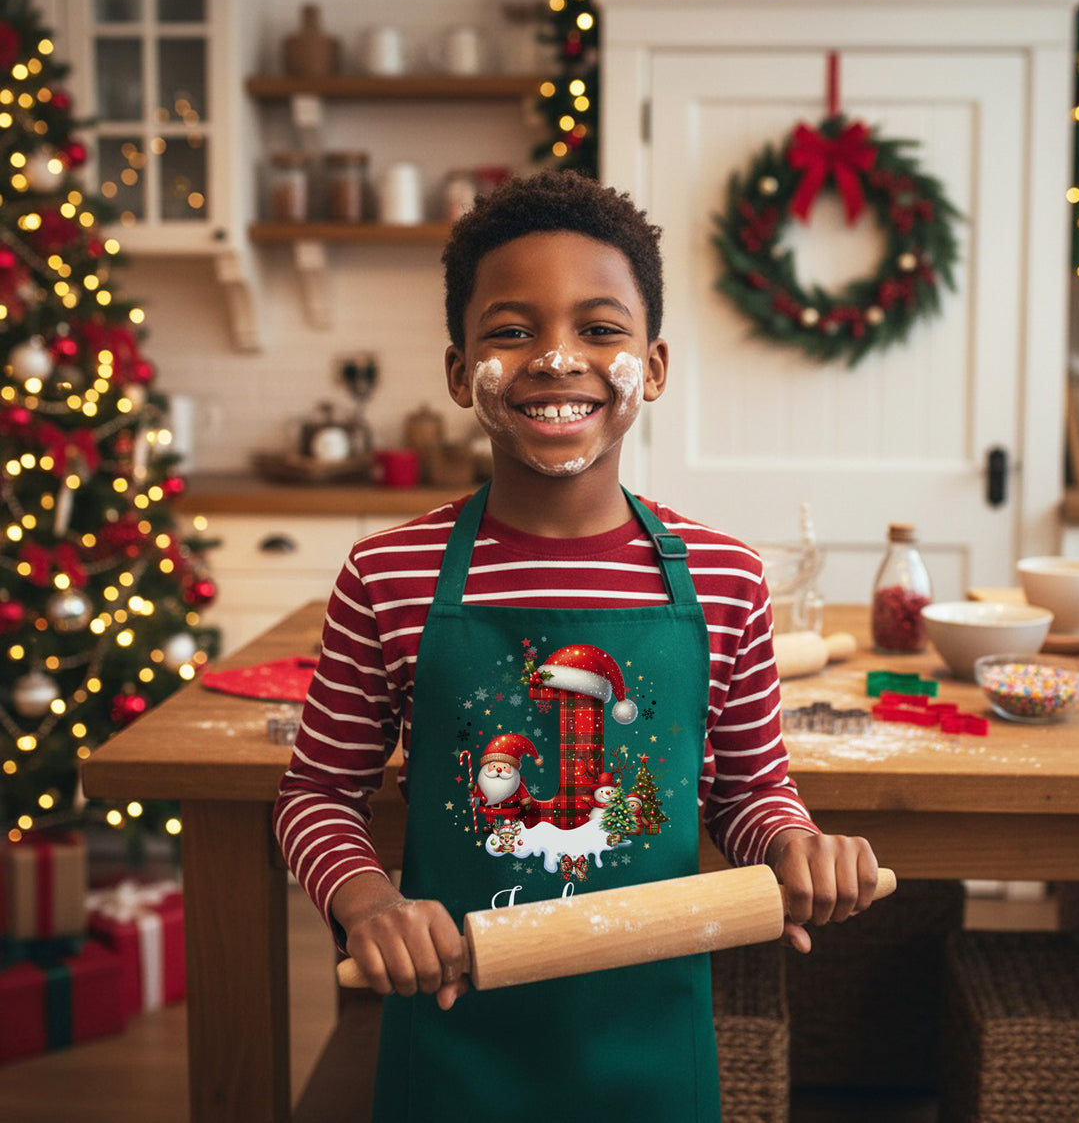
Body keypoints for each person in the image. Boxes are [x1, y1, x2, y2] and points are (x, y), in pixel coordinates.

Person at [274, 170, 880, 1121]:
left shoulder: (724, 578)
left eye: (600, 329)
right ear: (456, 368)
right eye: (512, 331)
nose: (558, 359)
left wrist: (798, 847)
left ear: (657, 364)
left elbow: (750, 790)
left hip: (650, 1046)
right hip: (452, 1038)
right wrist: (367, 903)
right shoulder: (385, 576)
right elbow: (315, 794)